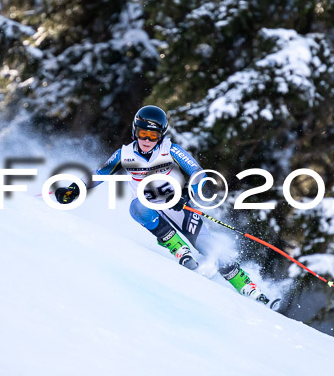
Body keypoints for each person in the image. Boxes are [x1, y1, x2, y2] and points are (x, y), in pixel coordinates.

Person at [55, 105, 275, 307]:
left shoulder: (171, 151)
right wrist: (76, 190)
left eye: (153, 135)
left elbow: (198, 173)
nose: (147, 140)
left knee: (210, 247)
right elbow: (100, 174)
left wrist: (188, 192)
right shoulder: (125, 154)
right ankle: (178, 247)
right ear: (135, 131)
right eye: (143, 133)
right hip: (150, 207)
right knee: (138, 207)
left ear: (161, 136)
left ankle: (250, 289)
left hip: (179, 207)